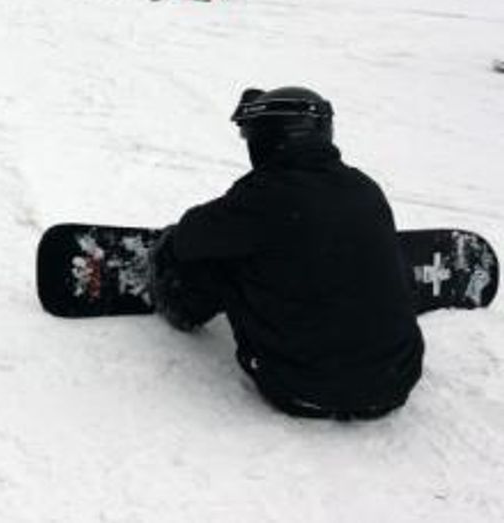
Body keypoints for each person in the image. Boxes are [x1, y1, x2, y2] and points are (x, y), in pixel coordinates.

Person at [147, 87, 424, 419]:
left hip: (298, 386)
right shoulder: (365, 188)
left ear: (267, 138)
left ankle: (179, 302)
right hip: (397, 381)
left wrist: (168, 246)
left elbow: (190, 238)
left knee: (221, 255)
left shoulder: (263, 197)